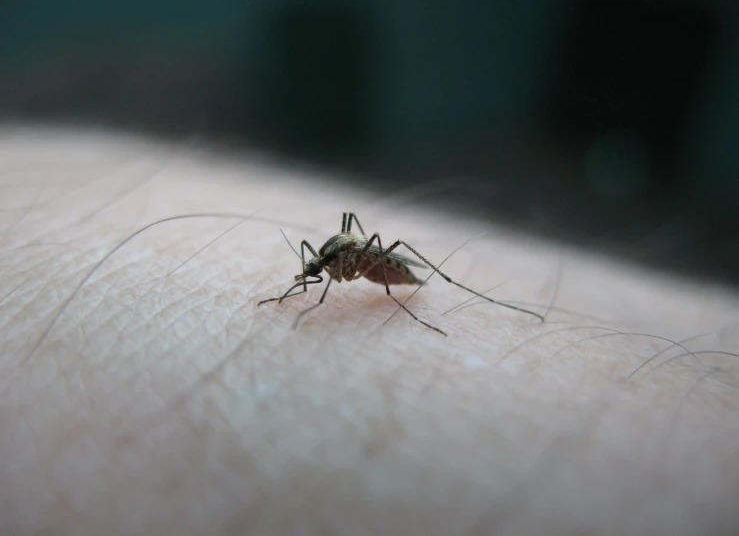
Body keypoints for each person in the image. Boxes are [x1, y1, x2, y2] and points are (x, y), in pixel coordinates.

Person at [1, 125, 738, 535]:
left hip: (390, 271)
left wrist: (336, 287)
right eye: (317, 275)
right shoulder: (320, 264)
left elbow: (335, 271)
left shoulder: (351, 266)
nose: (315, 279)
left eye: (317, 275)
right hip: (360, 262)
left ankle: (451, 289)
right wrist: (297, 289)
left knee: (370, 253)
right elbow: (315, 268)